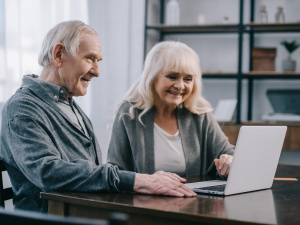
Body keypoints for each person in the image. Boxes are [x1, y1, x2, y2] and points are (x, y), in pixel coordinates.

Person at [0, 21, 196, 213]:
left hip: (83, 213)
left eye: (98, 61)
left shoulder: (69, 104)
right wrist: (137, 180)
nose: (97, 71)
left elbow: (87, 173)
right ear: (59, 54)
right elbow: (48, 172)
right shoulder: (21, 108)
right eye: (89, 59)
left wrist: (141, 181)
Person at [107, 41, 234, 179]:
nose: (180, 86)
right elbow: (114, 172)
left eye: (188, 79)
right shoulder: (128, 114)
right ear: (153, 77)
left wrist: (229, 162)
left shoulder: (200, 115)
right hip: (143, 200)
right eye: (172, 76)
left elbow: (228, 153)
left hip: (195, 199)